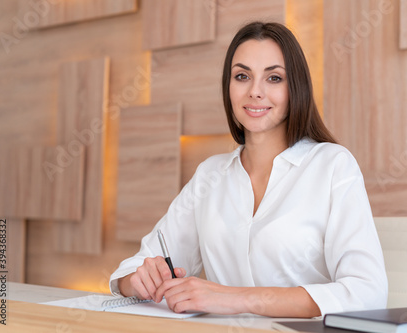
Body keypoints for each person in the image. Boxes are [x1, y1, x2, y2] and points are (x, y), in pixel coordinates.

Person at [109, 21, 388, 318]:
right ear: (228, 87)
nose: (255, 92)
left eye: (274, 78)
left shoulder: (333, 165)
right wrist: (136, 280)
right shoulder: (210, 174)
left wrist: (234, 299)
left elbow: (367, 293)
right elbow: (133, 268)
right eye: (242, 76)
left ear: (296, 88)